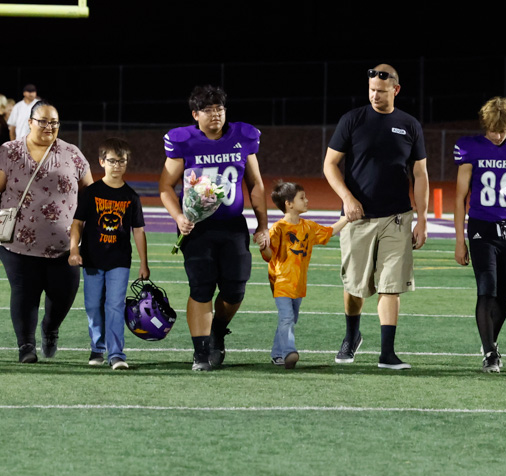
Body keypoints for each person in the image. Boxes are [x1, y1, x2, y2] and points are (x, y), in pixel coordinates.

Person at [323, 64, 428, 370]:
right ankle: (352, 335)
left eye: (381, 91)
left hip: (397, 218)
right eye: (371, 90)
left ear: (396, 90)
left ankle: (387, 353)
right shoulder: (352, 120)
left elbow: (420, 173)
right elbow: (330, 164)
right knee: (355, 288)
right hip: (358, 218)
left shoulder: (409, 125)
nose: (374, 96)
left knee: (390, 285)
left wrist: (422, 218)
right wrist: (347, 198)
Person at [159, 85, 269, 371]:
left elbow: (255, 184)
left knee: (235, 289)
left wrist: (263, 225)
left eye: (219, 109)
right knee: (201, 287)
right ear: (195, 114)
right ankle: (201, 352)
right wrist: (178, 217)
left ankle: (217, 330)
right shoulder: (184, 141)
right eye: (208, 110)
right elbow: (166, 186)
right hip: (197, 228)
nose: (215, 115)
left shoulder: (243, 136)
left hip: (232, 226)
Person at [0, 100, 93, 363]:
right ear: (30, 122)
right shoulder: (9, 151)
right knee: (24, 292)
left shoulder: (72, 153)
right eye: (43, 121)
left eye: (54, 122)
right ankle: (26, 346)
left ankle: (50, 329)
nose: (49, 127)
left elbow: (90, 193)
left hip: (65, 245)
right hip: (16, 243)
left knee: (63, 295)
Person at [453, 97, 506, 373]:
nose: (497, 135)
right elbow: (459, 198)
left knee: (504, 293)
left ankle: (490, 341)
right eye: (493, 130)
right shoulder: (471, 148)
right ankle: (490, 353)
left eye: (502, 130)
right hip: (482, 228)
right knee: (486, 288)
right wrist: (459, 241)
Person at [69, 137, 150, 370]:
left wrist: (144, 263)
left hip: (119, 260)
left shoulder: (131, 197)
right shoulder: (91, 192)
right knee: (93, 306)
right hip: (92, 259)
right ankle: (97, 347)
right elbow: (77, 223)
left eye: (121, 161)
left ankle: (116, 354)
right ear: (101, 162)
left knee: (114, 305)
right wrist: (74, 249)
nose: (117, 166)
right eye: (112, 161)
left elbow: (138, 230)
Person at [261, 181, 347, 369]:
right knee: (286, 318)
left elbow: (328, 232)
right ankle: (289, 352)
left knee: (290, 319)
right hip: (281, 282)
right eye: (302, 198)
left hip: (299, 283)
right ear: (289, 204)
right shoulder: (278, 228)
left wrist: (346, 218)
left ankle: (277, 354)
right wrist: (264, 246)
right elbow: (269, 255)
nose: (307, 200)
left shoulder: (308, 227)